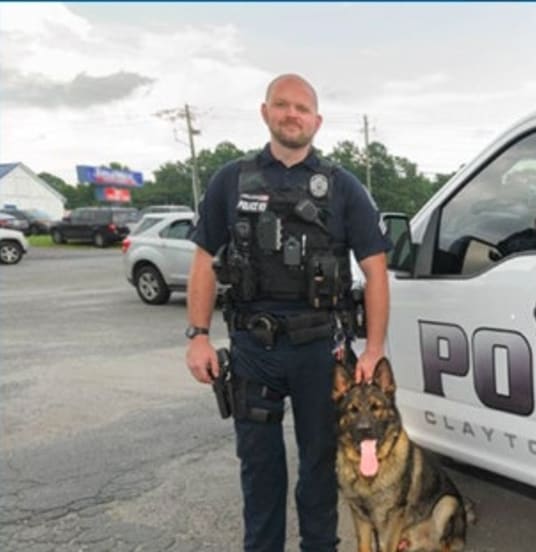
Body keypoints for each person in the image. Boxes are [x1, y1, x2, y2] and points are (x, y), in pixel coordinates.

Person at [184, 73, 391, 552]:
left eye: (302, 108)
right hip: (253, 349)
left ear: (317, 120)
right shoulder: (230, 181)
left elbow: (375, 270)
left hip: (321, 350)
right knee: (259, 468)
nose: (291, 115)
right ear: (265, 112)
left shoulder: (343, 187)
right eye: (282, 105)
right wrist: (198, 335)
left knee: (319, 465)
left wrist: (374, 349)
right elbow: (204, 259)